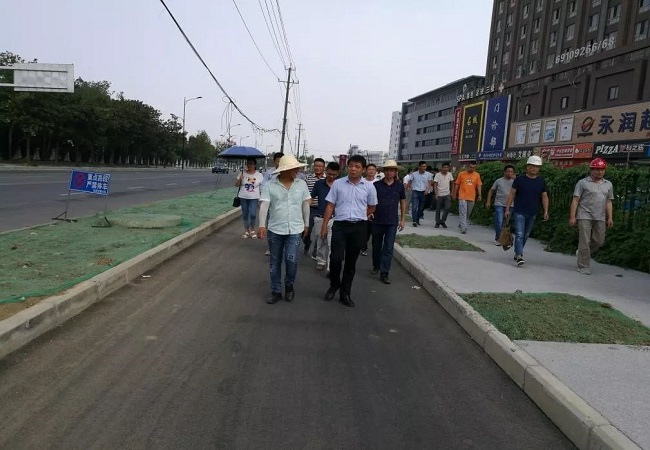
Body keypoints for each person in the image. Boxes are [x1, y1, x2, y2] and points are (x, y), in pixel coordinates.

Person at [321, 155, 378, 307]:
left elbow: (372, 207)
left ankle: (345, 293)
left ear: (363, 169)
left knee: (351, 263)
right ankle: (334, 285)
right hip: (340, 226)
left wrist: (359, 216)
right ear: (347, 167)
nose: (353, 169)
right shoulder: (338, 184)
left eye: (357, 166)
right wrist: (324, 225)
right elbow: (330, 205)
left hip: (359, 228)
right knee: (335, 259)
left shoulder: (369, 187)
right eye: (351, 165)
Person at [258, 155, 311, 304]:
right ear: (284, 170)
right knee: (275, 262)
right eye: (294, 168)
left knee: (291, 260)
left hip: (295, 229)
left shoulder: (301, 184)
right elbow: (264, 206)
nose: (297, 170)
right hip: (275, 229)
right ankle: (276, 290)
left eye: (297, 168)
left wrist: (306, 224)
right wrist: (261, 225)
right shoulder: (270, 185)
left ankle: (289, 286)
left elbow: (305, 204)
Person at [569, 158, 614, 275]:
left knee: (599, 241)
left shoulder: (608, 184)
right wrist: (572, 216)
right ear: (591, 170)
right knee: (585, 240)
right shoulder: (582, 183)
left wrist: (610, 217)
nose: (600, 172)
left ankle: (581, 252)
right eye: (597, 169)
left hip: (600, 216)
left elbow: (608, 201)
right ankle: (583, 266)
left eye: (602, 169)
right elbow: (575, 199)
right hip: (584, 215)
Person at [504, 155, 549, 266]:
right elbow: (512, 194)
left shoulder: (541, 181)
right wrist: (507, 208)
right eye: (532, 166)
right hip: (519, 211)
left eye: (537, 166)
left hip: (532, 212)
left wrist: (546, 211)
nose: (534, 168)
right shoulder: (520, 180)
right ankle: (519, 255)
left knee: (526, 234)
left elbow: (544, 196)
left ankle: (517, 252)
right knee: (519, 234)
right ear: (527, 167)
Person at [371, 160, 406, 284]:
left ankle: (384, 272)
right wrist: (369, 212)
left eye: (392, 170)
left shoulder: (399, 186)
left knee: (388, 247)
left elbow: (403, 201)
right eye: (387, 170)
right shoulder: (376, 185)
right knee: (376, 245)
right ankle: (376, 265)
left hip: (392, 221)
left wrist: (403, 219)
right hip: (377, 220)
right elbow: (370, 200)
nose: (389, 172)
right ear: (384, 172)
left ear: (395, 172)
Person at [310, 162, 341, 271]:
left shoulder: (340, 185)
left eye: (334, 174)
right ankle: (321, 261)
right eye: (329, 174)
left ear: (338, 173)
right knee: (320, 240)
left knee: (332, 243)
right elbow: (311, 197)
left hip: (335, 218)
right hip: (320, 216)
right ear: (326, 171)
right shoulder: (319, 184)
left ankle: (330, 266)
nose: (331, 176)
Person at [485, 164, 516, 245]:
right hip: (499, 203)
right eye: (508, 171)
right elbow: (491, 191)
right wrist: (488, 201)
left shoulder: (515, 182)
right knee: (499, 221)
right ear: (504, 172)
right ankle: (498, 238)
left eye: (511, 172)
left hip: (510, 205)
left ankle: (503, 239)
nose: (510, 173)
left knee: (505, 223)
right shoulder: (499, 181)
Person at [260, 152, 284, 256]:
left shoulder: (288, 173)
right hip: (272, 205)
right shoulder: (269, 173)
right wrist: (264, 198)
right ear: (274, 161)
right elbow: (263, 186)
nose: (280, 163)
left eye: (282, 161)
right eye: (278, 161)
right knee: (271, 225)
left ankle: (282, 246)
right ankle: (271, 247)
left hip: (284, 205)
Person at [234, 158, 264, 239]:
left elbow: (262, 187)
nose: (249, 165)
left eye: (251, 163)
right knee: (245, 214)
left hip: (254, 197)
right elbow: (236, 184)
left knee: (253, 214)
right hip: (243, 197)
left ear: (254, 165)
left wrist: (262, 198)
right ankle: (246, 231)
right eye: (248, 163)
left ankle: (252, 230)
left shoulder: (259, 175)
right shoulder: (242, 173)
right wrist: (240, 179)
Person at [303, 158, 326, 256]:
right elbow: (303, 192)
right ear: (313, 166)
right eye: (316, 166)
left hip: (322, 209)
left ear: (324, 167)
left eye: (320, 166)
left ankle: (316, 251)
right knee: (305, 230)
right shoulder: (308, 178)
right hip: (309, 208)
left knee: (319, 232)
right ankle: (307, 242)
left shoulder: (327, 179)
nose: (318, 168)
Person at [452, 162, 482, 234]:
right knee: (463, 212)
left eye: (474, 168)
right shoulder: (461, 174)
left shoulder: (477, 175)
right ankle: (463, 228)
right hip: (462, 196)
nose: (472, 169)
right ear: (467, 167)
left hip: (471, 197)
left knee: (468, 213)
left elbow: (479, 185)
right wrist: (454, 194)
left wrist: (479, 195)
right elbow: (457, 184)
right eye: (471, 167)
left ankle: (461, 223)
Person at [407, 161, 433, 227]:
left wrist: (427, 190)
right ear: (419, 167)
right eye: (423, 166)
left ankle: (417, 219)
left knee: (421, 208)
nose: (424, 168)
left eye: (425, 166)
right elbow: (409, 182)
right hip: (415, 191)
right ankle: (414, 221)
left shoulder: (428, 174)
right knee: (414, 207)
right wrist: (411, 188)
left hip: (423, 192)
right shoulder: (414, 174)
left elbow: (430, 183)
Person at [360, 163, 378, 256]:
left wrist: (372, 210)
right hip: (363, 210)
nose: (371, 171)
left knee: (374, 231)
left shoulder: (378, 183)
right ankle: (363, 247)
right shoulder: (361, 182)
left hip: (375, 210)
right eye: (369, 169)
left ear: (376, 171)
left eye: (373, 169)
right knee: (364, 231)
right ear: (365, 171)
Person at [433, 162, 454, 228]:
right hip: (439, 194)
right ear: (442, 168)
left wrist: (452, 192)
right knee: (438, 209)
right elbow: (435, 184)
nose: (446, 169)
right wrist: (436, 193)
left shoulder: (449, 174)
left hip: (447, 194)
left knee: (448, 208)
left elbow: (452, 183)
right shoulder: (438, 175)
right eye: (444, 167)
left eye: (447, 167)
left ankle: (442, 221)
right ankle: (437, 222)